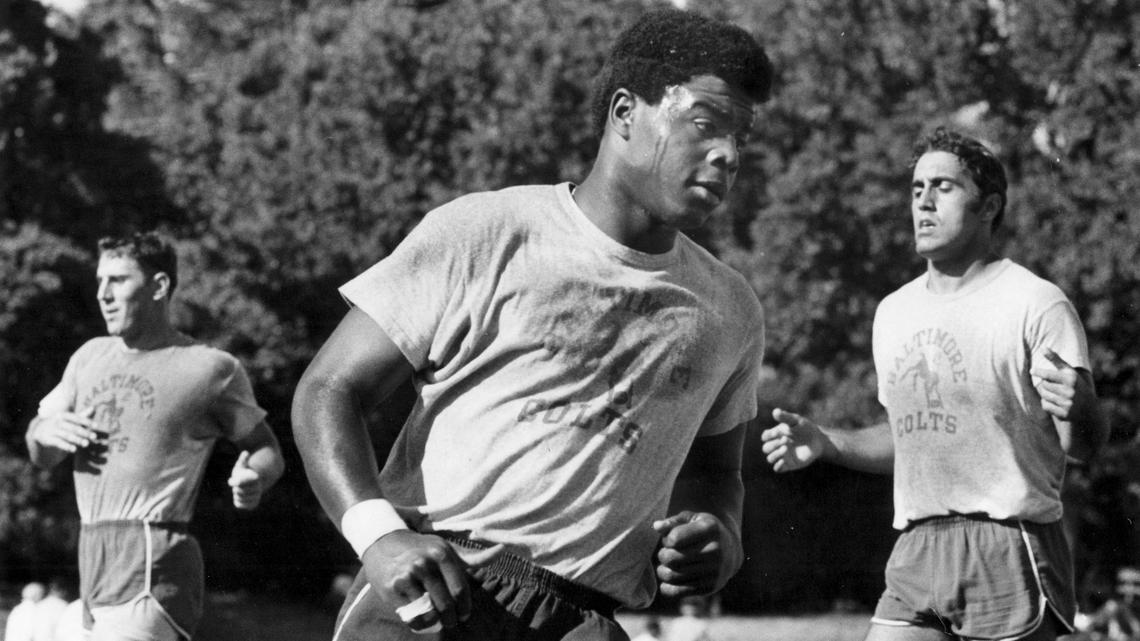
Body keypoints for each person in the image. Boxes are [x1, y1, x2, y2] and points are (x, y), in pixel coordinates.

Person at [291, 8, 773, 641]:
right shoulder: (488, 232)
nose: (728, 154)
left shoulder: (729, 309)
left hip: (588, 621)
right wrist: (379, 537)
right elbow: (328, 390)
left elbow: (716, 473)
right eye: (706, 123)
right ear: (625, 113)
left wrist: (722, 534)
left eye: (742, 137)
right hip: (441, 592)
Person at [761, 127, 1109, 641]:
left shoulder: (1035, 302)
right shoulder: (894, 311)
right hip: (917, 545)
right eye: (917, 188)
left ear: (989, 207)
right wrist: (827, 441)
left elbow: (1081, 447)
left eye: (944, 187)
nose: (923, 201)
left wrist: (1084, 409)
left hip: (1007, 542)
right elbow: (913, 436)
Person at [25, 231, 285, 641]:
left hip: (154, 562)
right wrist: (43, 432)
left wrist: (255, 476)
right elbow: (42, 452)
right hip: (92, 559)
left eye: (117, 280)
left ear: (159, 286)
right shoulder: (88, 357)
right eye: (100, 281)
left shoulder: (209, 368)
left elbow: (266, 449)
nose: (103, 295)